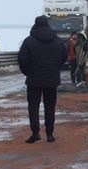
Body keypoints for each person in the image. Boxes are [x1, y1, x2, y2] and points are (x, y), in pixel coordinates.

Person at [17, 15, 69, 143]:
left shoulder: (28, 41)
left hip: (34, 80)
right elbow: (64, 57)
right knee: (50, 107)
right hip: (52, 79)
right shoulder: (57, 41)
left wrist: (28, 72)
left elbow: (22, 60)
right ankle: (50, 134)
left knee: (33, 107)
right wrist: (55, 69)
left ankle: (35, 133)